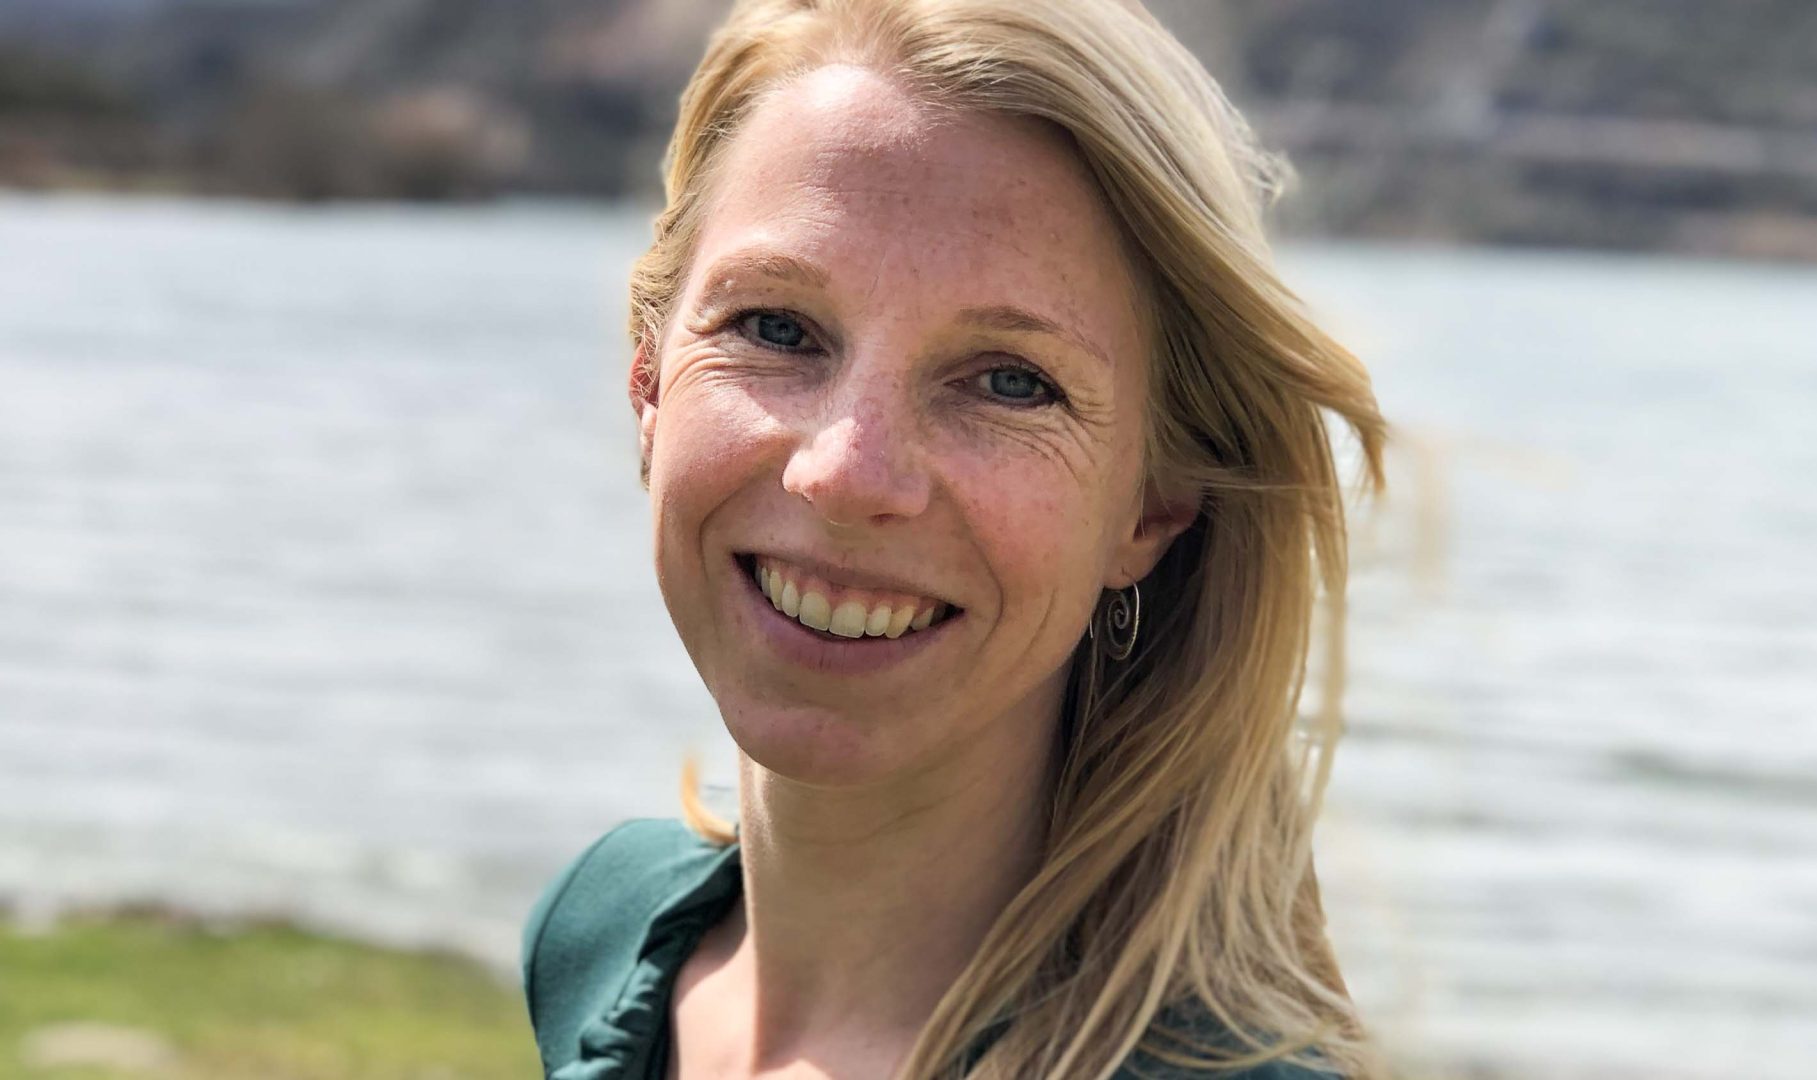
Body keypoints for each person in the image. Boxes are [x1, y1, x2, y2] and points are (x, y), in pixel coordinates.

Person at [521, 0, 1387, 1076]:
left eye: (1011, 384)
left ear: (1153, 506)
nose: (845, 474)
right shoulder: (599, 937)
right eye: (777, 328)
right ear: (648, 378)